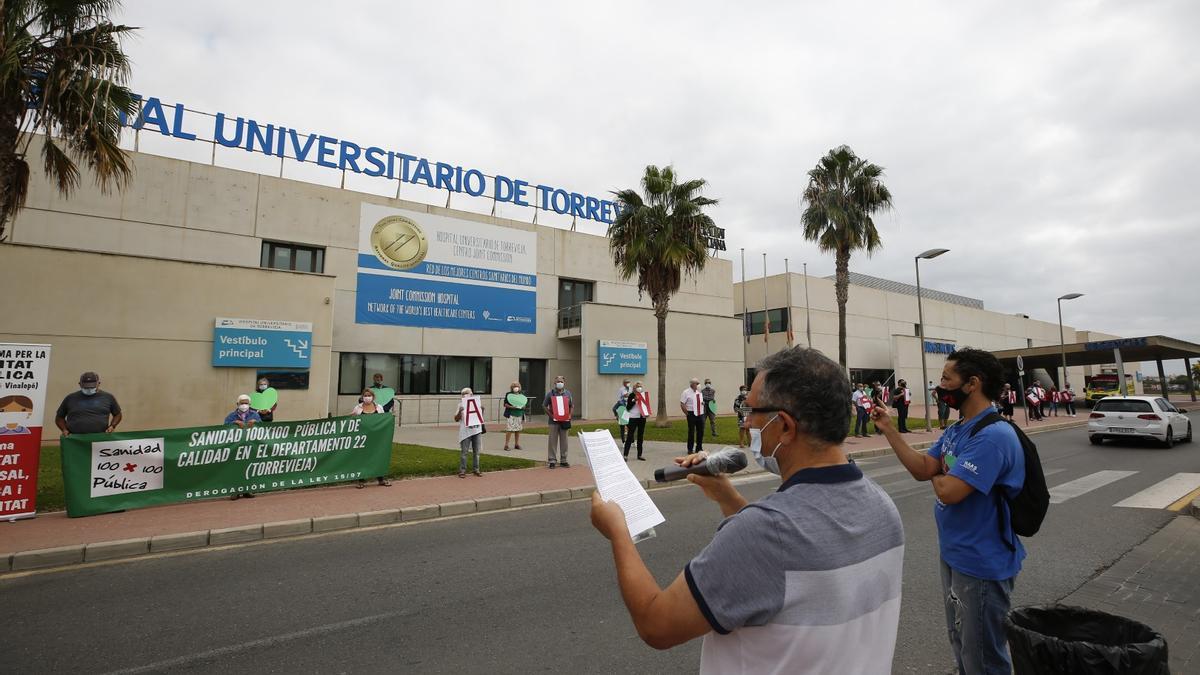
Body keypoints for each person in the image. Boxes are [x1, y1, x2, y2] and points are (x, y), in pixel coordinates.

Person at [590, 347, 904, 673]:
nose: (748, 420)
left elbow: (657, 624)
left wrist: (619, 531)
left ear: (784, 426)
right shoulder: (883, 507)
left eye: (753, 410)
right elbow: (797, 558)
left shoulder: (763, 533)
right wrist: (728, 497)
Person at [872, 348, 1025, 674]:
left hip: (982, 560)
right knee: (961, 641)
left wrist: (940, 471)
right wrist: (889, 429)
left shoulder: (994, 436)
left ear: (972, 383)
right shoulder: (960, 429)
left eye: (946, 379)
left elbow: (949, 491)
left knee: (983, 655)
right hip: (955, 552)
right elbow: (922, 468)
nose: (939, 386)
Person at [55, 371, 122, 436]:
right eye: (86, 387)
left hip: (100, 438)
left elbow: (117, 414)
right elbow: (59, 417)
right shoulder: (70, 398)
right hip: (75, 439)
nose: (89, 389)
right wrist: (64, 429)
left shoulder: (108, 397)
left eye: (92, 387)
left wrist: (112, 426)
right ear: (80, 384)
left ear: (98, 383)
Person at [353, 389, 392, 488]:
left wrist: (391, 418)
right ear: (362, 397)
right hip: (362, 438)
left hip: (377, 438)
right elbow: (352, 420)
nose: (367, 397)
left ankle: (381, 479)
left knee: (378, 457)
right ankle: (361, 480)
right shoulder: (358, 408)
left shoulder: (379, 407)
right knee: (362, 458)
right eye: (365, 395)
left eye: (369, 395)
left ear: (373, 397)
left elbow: (384, 420)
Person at [225, 394, 261, 499]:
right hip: (236, 447)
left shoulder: (255, 415)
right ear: (237, 404)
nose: (244, 405)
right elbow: (224, 428)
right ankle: (235, 491)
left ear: (249, 404)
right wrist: (234, 423)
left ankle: (247, 490)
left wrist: (256, 422)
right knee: (235, 468)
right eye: (242, 403)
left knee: (248, 467)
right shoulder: (231, 416)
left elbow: (263, 428)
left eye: (246, 403)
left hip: (250, 446)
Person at [454, 387, 484, 478]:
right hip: (465, 432)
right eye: (464, 393)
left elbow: (479, 417)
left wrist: (482, 410)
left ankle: (476, 469)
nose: (466, 395)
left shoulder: (476, 404)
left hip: (476, 430)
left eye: (468, 393)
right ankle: (462, 471)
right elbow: (456, 419)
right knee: (464, 452)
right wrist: (460, 411)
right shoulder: (460, 405)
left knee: (477, 452)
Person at [544, 375, 572, 468]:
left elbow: (571, 405)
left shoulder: (568, 393)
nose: (559, 383)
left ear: (564, 383)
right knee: (552, 441)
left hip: (564, 421)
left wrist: (569, 415)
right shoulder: (550, 394)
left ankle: (564, 460)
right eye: (558, 382)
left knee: (565, 441)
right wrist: (551, 415)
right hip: (553, 422)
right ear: (554, 383)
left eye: (561, 381)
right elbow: (544, 405)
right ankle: (552, 460)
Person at [623, 381, 650, 461]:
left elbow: (646, 406)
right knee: (630, 436)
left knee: (640, 436)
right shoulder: (631, 395)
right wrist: (634, 400)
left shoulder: (643, 395)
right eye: (638, 386)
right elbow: (628, 407)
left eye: (640, 386)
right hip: (633, 417)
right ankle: (625, 455)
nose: (639, 388)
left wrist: (647, 413)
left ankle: (639, 455)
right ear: (634, 388)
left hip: (642, 418)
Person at [679, 378, 706, 454]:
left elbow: (700, 401)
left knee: (700, 431)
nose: (698, 385)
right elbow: (682, 403)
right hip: (691, 413)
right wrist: (687, 413)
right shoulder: (686, 392)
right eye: (696, 383)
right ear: (692, 384)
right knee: (691, 431)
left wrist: (702, 403)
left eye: (698, 383)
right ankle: (690, 449)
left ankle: (699, 448)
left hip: (700, 413)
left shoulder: (699, 392)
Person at [502, 381, 526, 451]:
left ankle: (516, 444)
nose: (516, 387)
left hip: (519, 414)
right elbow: (505, 404)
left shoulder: (521, 395)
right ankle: (506, 445)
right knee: (509, 429)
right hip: (511, 414)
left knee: (518, 429)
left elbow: (524, 403)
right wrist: (512, 407)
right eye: (514, 386)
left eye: (517, 386)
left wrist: (523, 406)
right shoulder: (508, 394)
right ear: (511, 387)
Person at [613, 379, 632, 444]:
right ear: (624, 383)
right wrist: (625, 395)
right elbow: (622, 396)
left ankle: (631, 440)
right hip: (622, 401)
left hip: (628, 402)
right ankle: (617, 416)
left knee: (628, 424)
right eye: (626, 382)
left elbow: (632, 396)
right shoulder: (622, 389)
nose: (628, 383)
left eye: (628, 382)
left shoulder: (631, 389)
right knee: (614, 408)